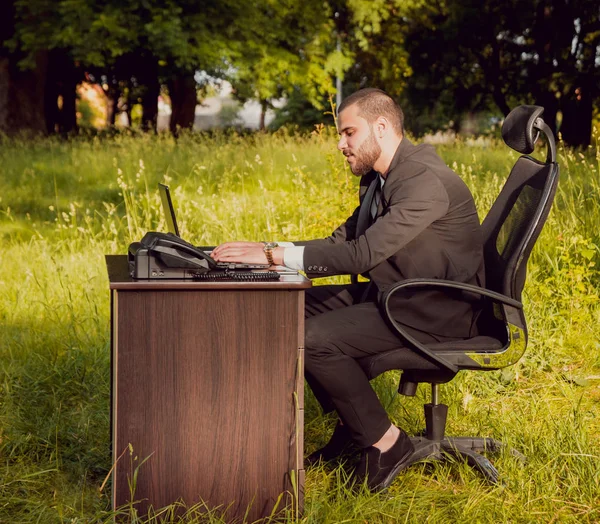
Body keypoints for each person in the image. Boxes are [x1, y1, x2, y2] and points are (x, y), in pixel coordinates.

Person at [211, 88, 485, 491]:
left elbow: (362, 255)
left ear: (381, 127)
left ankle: (386, 442)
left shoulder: (423, 182)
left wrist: (270, 257)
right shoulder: (385, 176)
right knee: (290, 308)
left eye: (348, 133)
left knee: (311, 339)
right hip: (399, 291)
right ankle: (352, 429)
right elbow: (343, 240)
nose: (341, 144)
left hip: (434, 309)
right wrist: (267, 251)